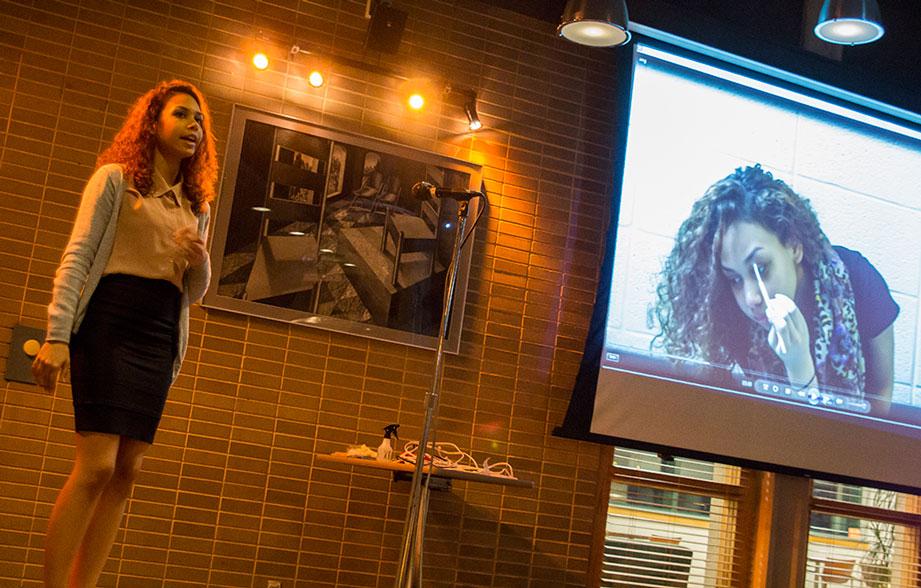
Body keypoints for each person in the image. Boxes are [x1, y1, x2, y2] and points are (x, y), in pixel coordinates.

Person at [30, 80, 217, 588]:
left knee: (127, 471)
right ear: (153, 122)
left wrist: (199, 260)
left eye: (199, 121)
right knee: (95, 467)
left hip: (158, 333)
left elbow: (193, 292)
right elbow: (78, 256)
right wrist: (58, 334)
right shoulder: (115, 180)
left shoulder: (197, 206)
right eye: (182, 115)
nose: (194, 127)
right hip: (108, 322)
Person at [653, 165, 897, 405]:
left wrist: (800, 367)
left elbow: (881, 394)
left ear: (793, 246)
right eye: (735, 279)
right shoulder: (732, 316)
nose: (751, 299)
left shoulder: (859, 281)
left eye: (761, 269)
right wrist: (799, 370)